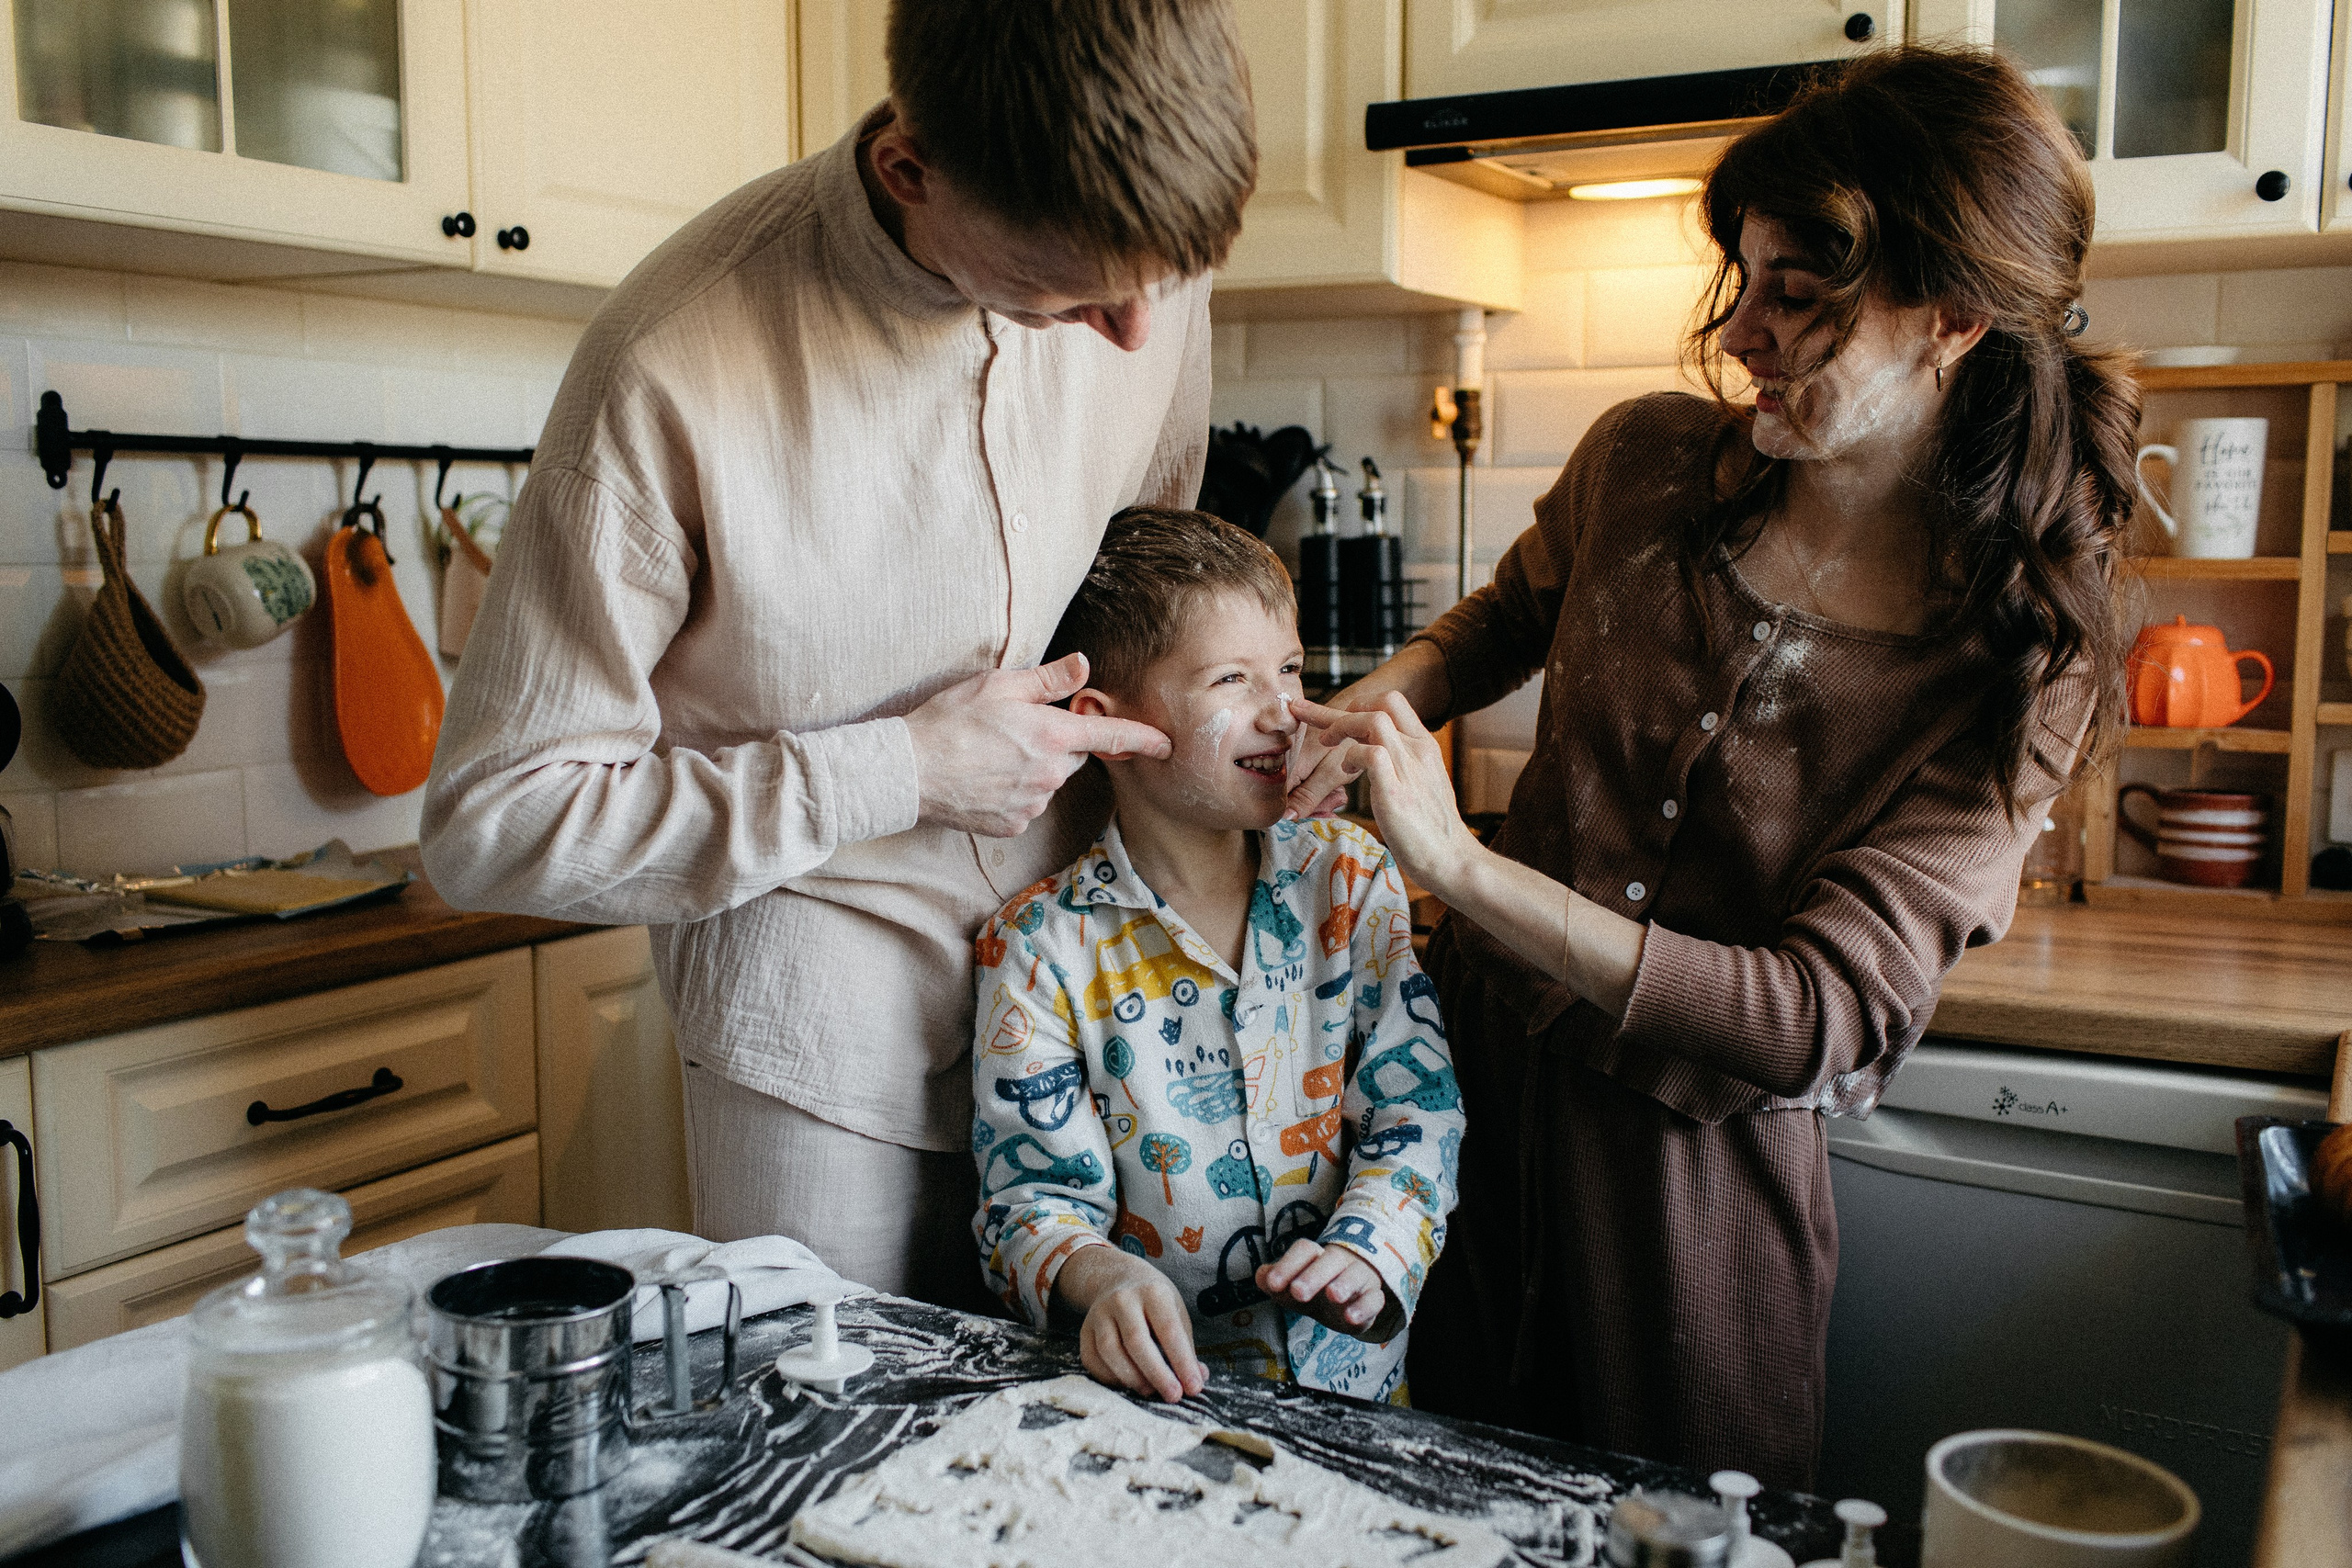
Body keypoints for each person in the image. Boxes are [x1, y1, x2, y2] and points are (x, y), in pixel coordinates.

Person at [1283, 45, 2138, 1485]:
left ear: (1954, 319)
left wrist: (1459, 869)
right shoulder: (1648, 461)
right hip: (1446, 1128)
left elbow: (1811, 1013)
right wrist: (1369, 703)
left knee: (1675, 1518)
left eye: (1799, 298)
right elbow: (1513, 615)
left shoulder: (2015, 658)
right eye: (1742, 280)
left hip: (1690, 1216)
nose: (1743, 332)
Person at [420, 0, 1257, 1309]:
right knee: (836, 1472)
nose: (1139, 335)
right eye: (1071, 294)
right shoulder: (671, 365)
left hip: (1111, 1020)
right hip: (820, 1061)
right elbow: (492, 822)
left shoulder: (1135, 265)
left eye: (1164, 281)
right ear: (908, 170)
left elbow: (1141, 585)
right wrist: (898, 769)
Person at [970, 507, 1463, 1404]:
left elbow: (1417, 1113)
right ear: (1104, 725)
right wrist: (1103, 1280)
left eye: (1289, 669)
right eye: (1232, 680)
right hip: (1155, 1404)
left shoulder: (1350, 881)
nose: (1284, 712)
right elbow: (1029, 1205)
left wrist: (1369, 1248)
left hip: (1355, 1402)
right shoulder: (1041, 947)